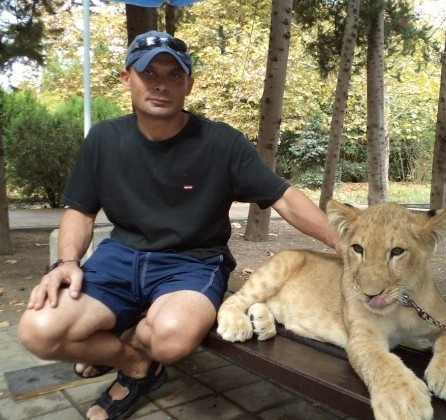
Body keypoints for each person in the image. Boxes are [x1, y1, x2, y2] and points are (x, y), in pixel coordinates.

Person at [18, 30, 338, 420]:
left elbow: (283, 196)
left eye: (173, 75)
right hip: (119, 258)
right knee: (39, 330)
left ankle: (128, 344)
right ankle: (137, 365)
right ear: (126, 78)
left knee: (171, 339)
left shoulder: (221, 142)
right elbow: (80, 211)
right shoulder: (104, 139)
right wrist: (66, 263)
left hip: (194, 262)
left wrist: (340, 240)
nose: (161, 84)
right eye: (148, 72)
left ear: (188, 84)